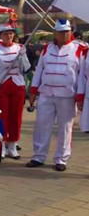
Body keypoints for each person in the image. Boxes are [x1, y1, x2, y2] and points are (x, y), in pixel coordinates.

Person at [27, 20, 86, 171]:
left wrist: (80, 96)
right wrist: (33, 90)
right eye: (60, 31)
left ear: (70, 32)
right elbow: (39, 70)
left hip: (67, 96)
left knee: (65, 128)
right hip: (46, 94)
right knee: (42, 125)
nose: (64, 34)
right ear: (55, 33)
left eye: (66, 31)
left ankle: (61, 159)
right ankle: (38, 156)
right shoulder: (47, 48)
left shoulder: (79, 49)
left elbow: (82, 76)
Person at [0, 24, 31, 159]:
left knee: (16, 116)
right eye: (5, 34)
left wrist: (23, 56)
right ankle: (2, 144)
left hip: (18, 86)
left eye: (11, 33)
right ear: (0, 35)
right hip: (2, 86)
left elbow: (26, 69)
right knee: (2, 116)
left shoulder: (20, 48)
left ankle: (13, 145)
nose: (8, 36)